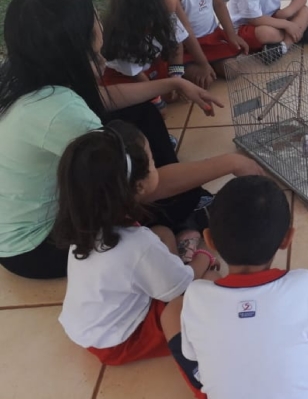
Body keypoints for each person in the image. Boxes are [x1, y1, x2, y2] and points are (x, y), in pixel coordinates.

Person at [0, 0, 264, 280]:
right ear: (78, 41)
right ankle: (183, 214)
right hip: (39, 247)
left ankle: (183, 204)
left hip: (41, 212)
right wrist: (232, 163)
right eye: (94, 17)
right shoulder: (60, 111)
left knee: (141, 111)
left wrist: (173, 82)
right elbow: (142, 188)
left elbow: (102, 99)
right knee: (150, 213)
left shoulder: (28, 71)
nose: (100, 20)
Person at [163, 176, 308, 399]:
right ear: (287, 239)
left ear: (209, 240)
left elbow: (193, 354)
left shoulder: (195, 296)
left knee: (173, 310)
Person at [55, 122, 216, 365]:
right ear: (139, 186)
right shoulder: (138, 244)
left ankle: (166, 274)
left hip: (88, 325)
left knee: (162, 232)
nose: (155, 165)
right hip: (121, 340)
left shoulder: (85, 225)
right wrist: (206, 256)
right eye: (152, 161)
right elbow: (185, 283)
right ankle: (173, 274)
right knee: (211, 283)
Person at [101, 0, 191, 110]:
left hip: (151, 67)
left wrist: (176, 77)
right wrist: (158, 99)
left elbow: (177, 46)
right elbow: (136, 76)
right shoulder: (125, 37)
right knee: (151, 112)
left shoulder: (168, 17)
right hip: (127, 80)